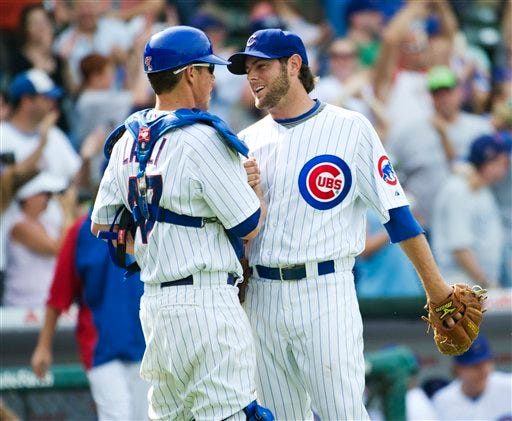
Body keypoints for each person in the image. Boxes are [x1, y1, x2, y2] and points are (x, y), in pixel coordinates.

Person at [227, 28, 460, 420]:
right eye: (248, 68)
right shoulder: (245, 140)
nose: (252, 76)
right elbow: (237, 233)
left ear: (294, 65)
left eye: (262, 66)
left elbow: (397, 215)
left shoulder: (350, 128)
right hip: (261, 296)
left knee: (342, 413)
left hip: (325, 291)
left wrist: (436, 289)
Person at [90, 26, 271, 421]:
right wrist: (251, 188)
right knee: (229, 414)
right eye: (208, 70)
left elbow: (102, 226)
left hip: (155, 304)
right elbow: (250, 225)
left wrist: (159, 235)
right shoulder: (202, 137)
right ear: (190, 73)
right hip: (206, 302)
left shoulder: (127, 139)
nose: (212, 79)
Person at [31, 211, 149, 420]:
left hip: (146, 345)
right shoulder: (81, 231)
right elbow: (59, 294)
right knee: (118, 416)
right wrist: (43, 346)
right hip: (99, 349)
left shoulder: (150, 221)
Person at [431, 133, 511, 288]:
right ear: (489, 164)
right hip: (459, 285)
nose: (507, 167)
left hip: (476, 285)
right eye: (503, 162)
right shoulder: (459, 190)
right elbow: (460, 247)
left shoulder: (482, 190)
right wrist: (487, 283)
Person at [431, 335, 512, 420]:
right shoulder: (442, 401)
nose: (483, 370)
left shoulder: (509, 386)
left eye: (486, 362)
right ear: (458, 369)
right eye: (475, 365)